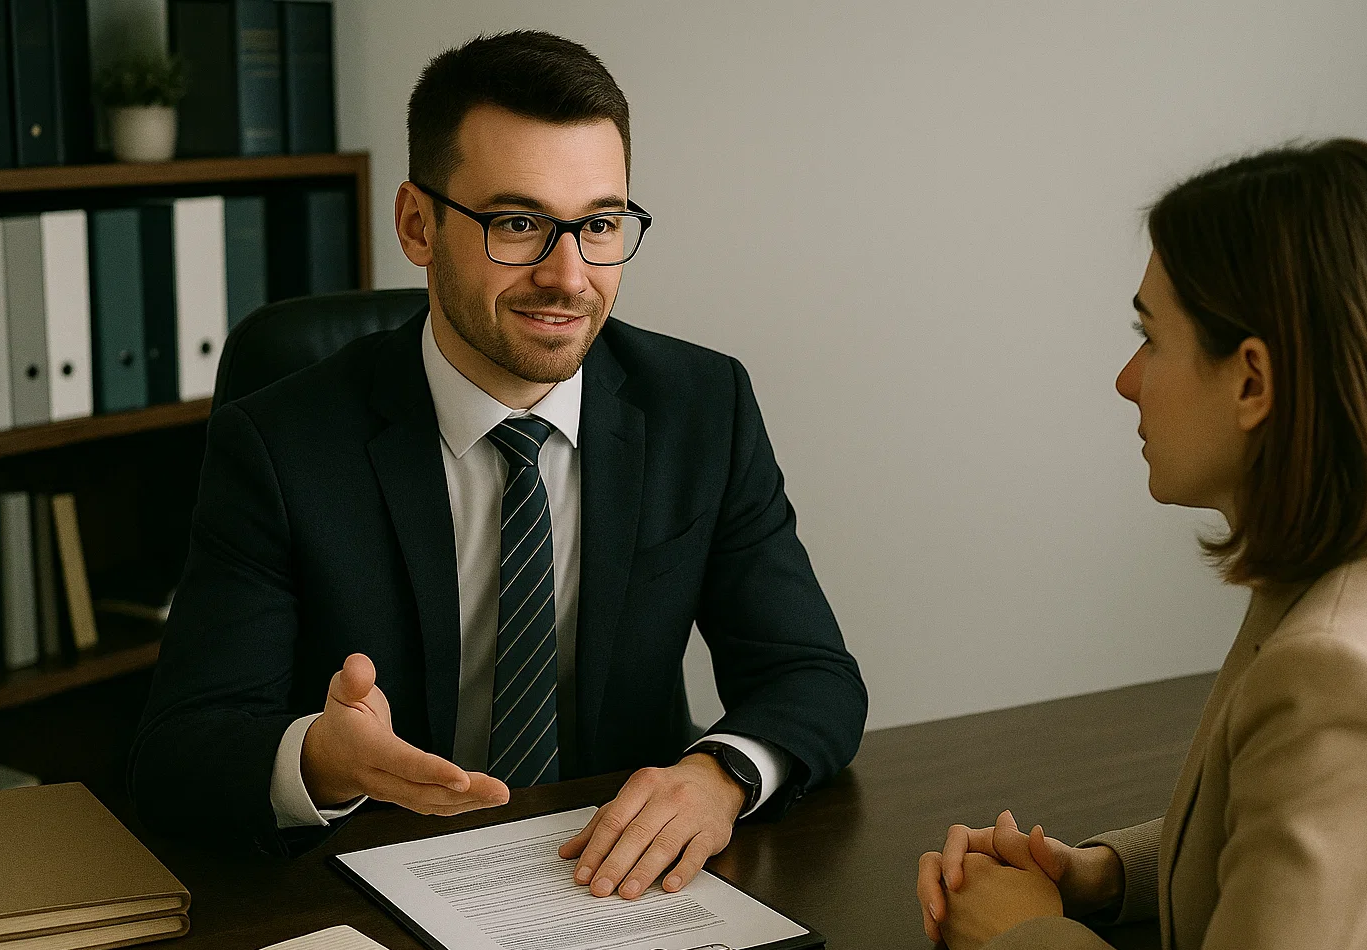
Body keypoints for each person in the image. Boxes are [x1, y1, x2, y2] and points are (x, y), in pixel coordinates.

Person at [130, 30, 867, 904]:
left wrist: (719, 775)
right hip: (373, 897)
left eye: (598, 225)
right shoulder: (282, 442)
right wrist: (318, 762)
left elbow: (811, 674)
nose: (569, 276)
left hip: (612, 885)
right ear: (417, 223)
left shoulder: (703, 407)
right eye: (517, 223)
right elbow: (180, 751)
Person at [917, 139, 1367, 950]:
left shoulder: (1347, 674)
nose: (1124, 380)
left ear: (1253, 380)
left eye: (1150, 337)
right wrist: (1106, 876)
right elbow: (1333, 839)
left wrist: (1018, 940)